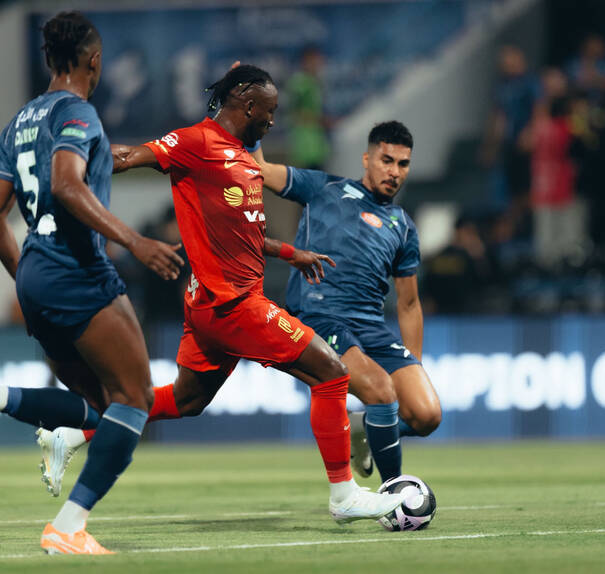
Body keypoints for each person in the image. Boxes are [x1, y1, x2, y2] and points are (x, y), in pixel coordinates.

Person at [40, 64, 404, 524]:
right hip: (232, 304)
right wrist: (70, 159)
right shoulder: (196, 142)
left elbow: (243, 232)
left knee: (186, 401)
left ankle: (72, 434)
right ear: (248, 106)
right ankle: (344, 495)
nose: (273, 120)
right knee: (331, 373)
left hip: (211, 308)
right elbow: (129, 156)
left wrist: (290, 252)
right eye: (269, 111)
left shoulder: (242, 158)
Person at [0, 12, 185, 554]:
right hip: (76, 269)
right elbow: (66, 184)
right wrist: (135, 241)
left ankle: (6, 397)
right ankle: (68, 526)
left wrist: (25, 275)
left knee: (105, 407)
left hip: (36, 272)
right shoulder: (77, 111)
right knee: (136, 397)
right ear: (95, 61)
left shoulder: (19, 122)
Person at [249, 121, 442, 483]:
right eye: (386, 160)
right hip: (319, 317)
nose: (394, 172)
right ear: (367, 159)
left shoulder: (402, 225)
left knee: (426, 415)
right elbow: (259, 169)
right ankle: (394, 490)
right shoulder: (324, 188)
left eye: (403, 164)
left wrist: (413, 365)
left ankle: (365, 429)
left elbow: (409, 304)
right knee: (380, 390)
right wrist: (253, 124)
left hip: (370, 325)